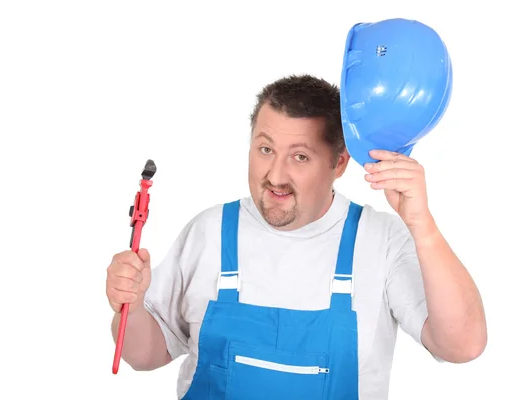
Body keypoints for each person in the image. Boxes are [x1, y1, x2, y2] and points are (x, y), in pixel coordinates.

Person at [106, 74, 487, 399]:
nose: (275, 175)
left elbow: (463, 346)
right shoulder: (209, 231)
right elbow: (145, 356)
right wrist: (131, 306)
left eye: (300, 156)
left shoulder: (381, 241)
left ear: (339, 163)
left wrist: (422, 225)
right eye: (265, 149)